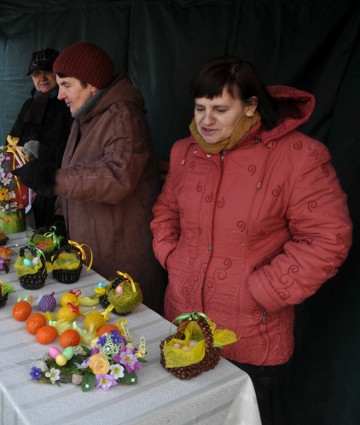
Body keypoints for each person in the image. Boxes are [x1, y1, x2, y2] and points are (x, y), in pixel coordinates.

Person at [150, 56, 352, 424]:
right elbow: (165, 211)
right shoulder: (184, 152)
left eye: (220, 109)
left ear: (251, 106)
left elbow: (328, 238)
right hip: (183, 318)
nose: (206, 120)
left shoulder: (299, 157)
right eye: (200, 108)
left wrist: (262, 289)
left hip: (252, 331)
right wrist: (171, 256)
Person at [13, 41, 165, 314]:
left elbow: (116, 177)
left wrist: (51, 178)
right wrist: (60, 217)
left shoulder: (122, 117)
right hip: (94, 250)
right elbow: (75, 168)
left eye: (67, 85)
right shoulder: (85, 117)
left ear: (92, 84)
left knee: (129, 333)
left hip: (120, 252)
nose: (60, 95)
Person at [9, 48, 72, 229]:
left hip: (55, 188)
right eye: (37, 73)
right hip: (27, 187)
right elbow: (12, 138)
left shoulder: (68, 105)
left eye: (47, 72)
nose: (42, 78)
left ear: (58, 75)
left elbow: (75, 151)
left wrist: (42, 151)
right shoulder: (29, 104)